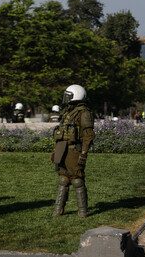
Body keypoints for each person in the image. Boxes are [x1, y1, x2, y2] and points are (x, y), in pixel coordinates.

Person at [51, 85, 95, 217]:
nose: (66, 98)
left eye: (68, 95)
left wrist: (83, 154)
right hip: (62, 148)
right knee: (63, 179)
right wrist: (55, 151)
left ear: (76, 95)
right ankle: (58, 210)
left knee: (77, 180)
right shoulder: (68, 112)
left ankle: (82, 211)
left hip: (74, 150)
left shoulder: (84, 113)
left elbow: (88, 136)